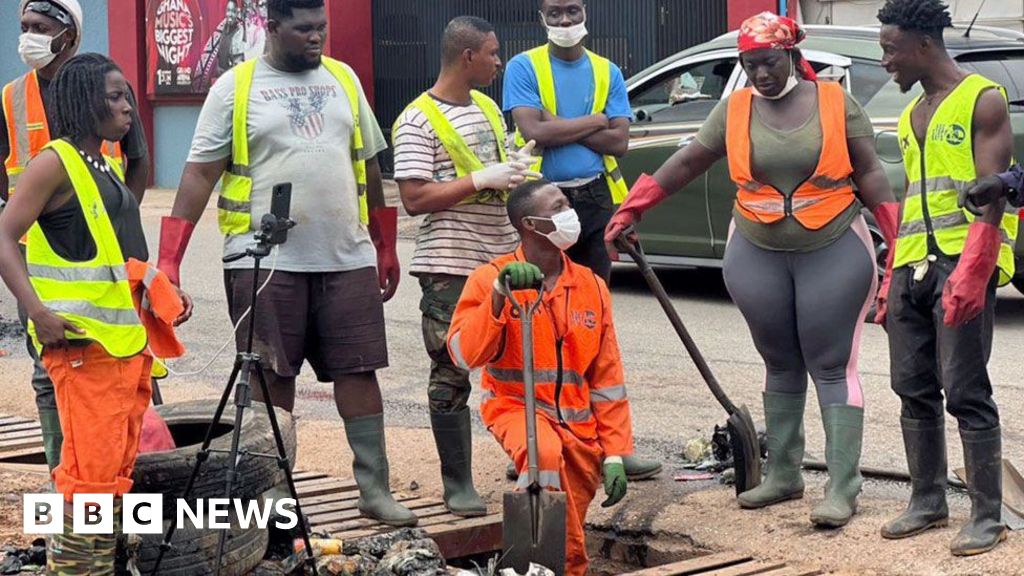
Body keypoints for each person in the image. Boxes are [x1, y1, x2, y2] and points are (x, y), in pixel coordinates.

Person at [606, 12, 900, 529]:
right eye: (749, 64)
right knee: (780, 362)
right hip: (756, 250)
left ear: (791, 56)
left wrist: (894, 239)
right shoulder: (734, 109)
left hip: (832, 246)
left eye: (768, 62)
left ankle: (842, 487)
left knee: (831, 365)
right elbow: (688, 161)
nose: (760, 74)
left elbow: (871, 172)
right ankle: (784, 473)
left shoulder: (834, 102)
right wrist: (634, 207)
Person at [156, 0, 416, 526]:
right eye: (303, 30)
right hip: (263, 260)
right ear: (271, 28)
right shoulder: (235, 87)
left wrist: (385, 245)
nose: (316, 38)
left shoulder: (344, 79)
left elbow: (369, 166)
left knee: (359, 369)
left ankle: (374, 487)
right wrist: (169, 261)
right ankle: (271, 492)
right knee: (271, 374)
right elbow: (199, 175)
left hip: (346, 256)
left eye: (321, 27)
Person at [0, 53, 191, 573]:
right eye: (115, 96)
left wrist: (159, 291)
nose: (127, 105)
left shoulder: (99, 165)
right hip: (83, 351)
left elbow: (115, 247)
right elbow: (4, 234)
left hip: (122, 350)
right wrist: (35, 310)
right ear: (84, 102)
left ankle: (105, 563)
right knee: (88, 477)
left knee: (114, 471)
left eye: (127, 94)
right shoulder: (54, 162)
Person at [875, 0, 1017, 555]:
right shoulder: (912, 115)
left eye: (891, 48)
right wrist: (890, 280)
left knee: (965, 389)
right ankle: (927, 500)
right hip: (912, 264)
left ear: (924, 44)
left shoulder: (982, 99)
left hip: (962, 264)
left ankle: (987, 516)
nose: (886, 61)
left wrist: (974, 272)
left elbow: (995, 196)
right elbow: (914, 197)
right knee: (911, 386)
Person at [502, 0, 662, 482]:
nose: (566, 23)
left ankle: (612, 445)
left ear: (586, 12)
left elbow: (620, 143)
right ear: (541, 17)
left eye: (572, 12)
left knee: (592, 325)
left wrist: (562, 127)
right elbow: (533, 131)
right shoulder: (523, 66)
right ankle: (537, 445)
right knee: (535, 323)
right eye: (556, 14)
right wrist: (596, 120)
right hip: (539, 206)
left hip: (592, 204)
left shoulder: (606, 70)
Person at [392, 16, 538, 517]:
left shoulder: (488, 108)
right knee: (452, 370)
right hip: (449, 265)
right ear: (467, 57)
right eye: (493, 53)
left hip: (501, 257)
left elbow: (494, 176)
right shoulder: (416, 120)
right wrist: (481, 178)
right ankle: (458, 483)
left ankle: (529, 457)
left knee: (518, 364)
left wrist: (515, 166)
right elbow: (413, 198)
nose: (500, 61)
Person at [447, 179, 632, 576]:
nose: (571, 212)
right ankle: (544, 568)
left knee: (570, 515)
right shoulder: (491, 278)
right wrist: (499, 294)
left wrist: (615, 451)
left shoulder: (590, 286)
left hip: (579, 424)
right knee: (542, 457)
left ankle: (554, 566)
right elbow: (463, 354)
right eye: (559, 205)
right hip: (516, 405)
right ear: (530, 224)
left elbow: (607, 377)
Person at [1, 0, 151, 472]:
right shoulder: (16, 103)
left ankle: (108, 502)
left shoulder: (100, 155)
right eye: (25, 26)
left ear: (69, 35)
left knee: (118, 409)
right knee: (63, 394)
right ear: (88, 102)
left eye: (40, 27)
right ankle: (66, 490)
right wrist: (37, 307)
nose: (29, 36)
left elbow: (139, 163)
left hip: (102, 281)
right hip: (46, 268)